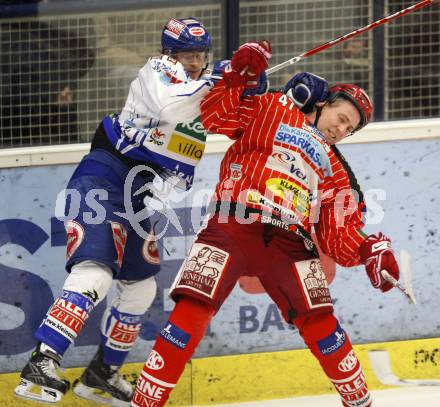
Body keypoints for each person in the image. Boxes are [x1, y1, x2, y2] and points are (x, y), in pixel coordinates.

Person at [130, 41, 400, 407]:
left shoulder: (337, 170)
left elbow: (339, 234)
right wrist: (240, 77)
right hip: (231, 224)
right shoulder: (274, 106)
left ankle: (361, 403)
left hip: (290, 241)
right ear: (323, 103)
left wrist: (369, 249)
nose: (342, 130)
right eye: (342, 117)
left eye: (350, 129)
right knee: (191, 310)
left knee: (321, 323)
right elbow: (214, 116)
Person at [14, 17, 224, 405]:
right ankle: (41, 363)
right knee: (95, 274)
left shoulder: (201, 93)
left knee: (141, 287)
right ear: (169, 54)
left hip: (135, 198)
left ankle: (101, 374)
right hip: (99, 184)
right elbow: (173, 107)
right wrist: (217, 80)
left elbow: (178, 172)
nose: (194, 61)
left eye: (200, 55)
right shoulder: (157, 73)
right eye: (186, 54)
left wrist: (246, 84)